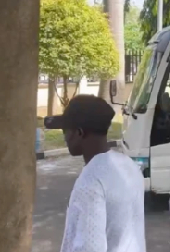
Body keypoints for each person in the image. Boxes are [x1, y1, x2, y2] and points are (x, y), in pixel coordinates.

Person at [44, 95, 146, 252]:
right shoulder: (129, 166)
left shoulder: (91, 180)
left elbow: (89, 247)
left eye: (65, 130)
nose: (64, 137)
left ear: (79, 133)